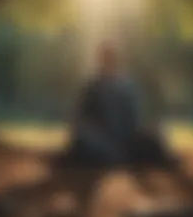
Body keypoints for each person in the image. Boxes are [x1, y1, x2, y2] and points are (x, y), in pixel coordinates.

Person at [65, 42, 180, 170]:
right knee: (84, 138)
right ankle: (121, 157)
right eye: (106, 59)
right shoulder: (92, 86)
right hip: (102, 139)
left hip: (127, 139)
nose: (109, 62)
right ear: (101, 61)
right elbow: (81, 118)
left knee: (157, 131)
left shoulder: (127, 86)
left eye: (112, 59)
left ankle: (123, 157)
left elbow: (135, 120)